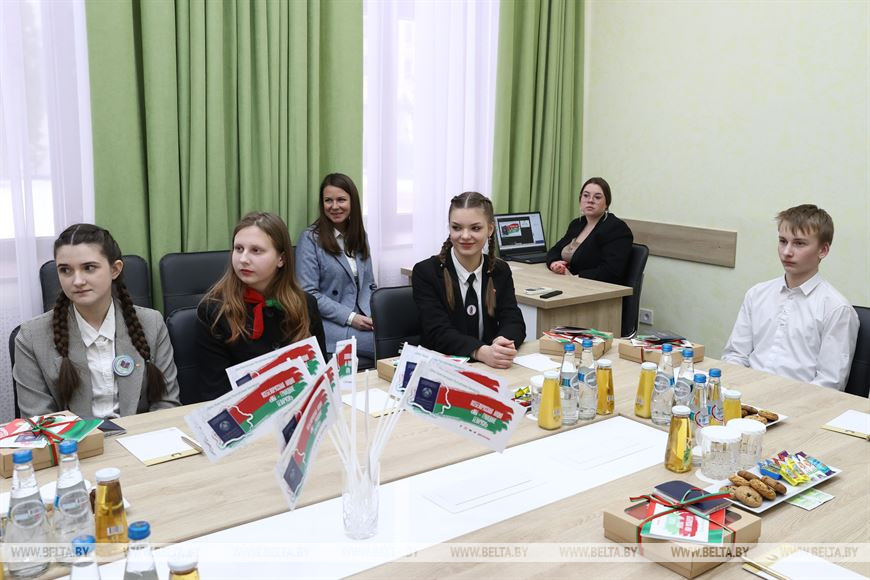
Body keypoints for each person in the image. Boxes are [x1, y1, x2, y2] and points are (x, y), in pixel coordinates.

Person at [14, 224, 180, 419]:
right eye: (65, 270)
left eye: (89, 268)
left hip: (141, 435)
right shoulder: (31, 336)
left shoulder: (152, 323)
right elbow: (39, 419)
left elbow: (167, 404)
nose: (77, 281)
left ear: (115, 269)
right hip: (73, 438)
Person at [721, 204, 859, 390]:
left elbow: (829, 383)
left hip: (799, 402)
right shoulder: (757, 294)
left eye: (799, 243)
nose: (787, 252)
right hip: (745, 395)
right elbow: (735, 355)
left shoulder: (836, 308)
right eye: (783, 241)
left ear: (823, 250)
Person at [196, 212, 326, 400]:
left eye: (256, 250)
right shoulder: (213, 311)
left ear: (281, 259)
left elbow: (319, 376)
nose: (243, 259)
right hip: (244, 413)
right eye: (238, 249)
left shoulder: (306, 304)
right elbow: (216, 393)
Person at [412, 192, 526, 369]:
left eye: (475, 228)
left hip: (489, 367)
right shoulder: (426, 272)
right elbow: (437, 332)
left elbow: (513, 321)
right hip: (442, 369)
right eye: (457, 228)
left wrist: (502, 343)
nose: (465, 236)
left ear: (490, 229)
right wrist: (481, 352)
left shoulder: (500, 270)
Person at [296, 173, 376, 367]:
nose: (334, 206)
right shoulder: (310, 239)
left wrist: (375, 315)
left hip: (363, 318)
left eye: (341, 200)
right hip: (331, 323)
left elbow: (370, 285)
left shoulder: (360, 236)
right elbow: (308, 293)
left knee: (397, 334)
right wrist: (351, 318)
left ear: (352, 202)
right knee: (389, 344)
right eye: (328, 200)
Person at [546, 177, 634, 284]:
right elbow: (554, 250)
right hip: (568, 283)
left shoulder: (616, 228)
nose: (590, 200)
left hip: (596, 288)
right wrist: (555, 264)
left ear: (607, 203)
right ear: (580, 200)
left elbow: (611, 271)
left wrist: (575, 278)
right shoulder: (577, 224)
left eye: (597, 197)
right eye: (586, 195)